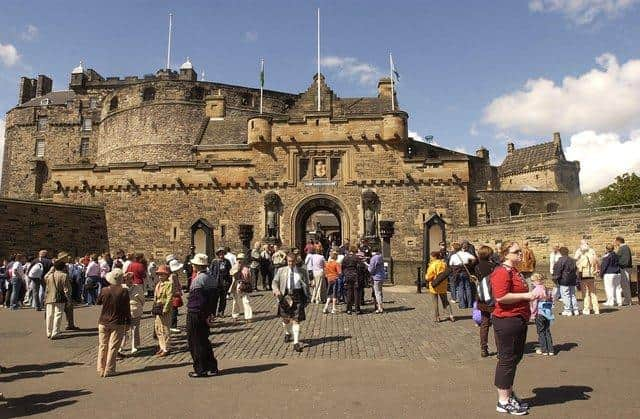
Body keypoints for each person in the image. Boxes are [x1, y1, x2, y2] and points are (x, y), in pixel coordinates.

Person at [491, 241, 537, 415]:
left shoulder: (515, 271)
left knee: (515, 357)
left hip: (518, 318)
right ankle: (503, 401)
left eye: (520, 251)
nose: (520, 254)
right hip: (506, 320)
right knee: (507, 359)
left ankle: (508, 394)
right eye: (516, 251)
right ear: (506, 254)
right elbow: (501, 297)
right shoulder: (501, 272)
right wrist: (526, 295)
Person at [186, 253, 220, 378]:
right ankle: (212, 366)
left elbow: (197, 299)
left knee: (195, 341)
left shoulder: (198, 280)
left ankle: (200, 369)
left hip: (196, 313)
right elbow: (214, 298)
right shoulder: (211, 278)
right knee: (204, 341)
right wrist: (210, 313)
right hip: (205, 313)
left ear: (196, 266)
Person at [96, 268, 131, 377]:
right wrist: (128, 322)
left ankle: (101, 368)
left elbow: (98, 302)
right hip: (117, 322)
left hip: (103, 321)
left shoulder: (105, 290)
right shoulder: (124, 291)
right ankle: (109, 369)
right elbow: (126, 309)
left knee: (103, 345)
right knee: (113, 347)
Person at [273, 253, 311, 352]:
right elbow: (274, 282)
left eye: (292, 261)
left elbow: (306, 284)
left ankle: (296, 342)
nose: (290, 263)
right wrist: (276, 289)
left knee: (296, 320)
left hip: (297, 296)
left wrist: (308, 295)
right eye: (288, 261)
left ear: (295, 261)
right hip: (285, 296)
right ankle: (287, 332)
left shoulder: (302, 271)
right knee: (285, 320)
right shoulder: (281, 270)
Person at [475, 245, 497, 357]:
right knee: (498, 322)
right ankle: (500, 348)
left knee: (484, 323)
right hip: (494, 295)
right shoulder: (494, 266)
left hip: (483, 295)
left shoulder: (477, 266)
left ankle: (483, 348)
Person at [44, 252, 72, 339]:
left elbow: (45, 278)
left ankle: (48, 332)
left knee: (49, 314)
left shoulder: (49, 276)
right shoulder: (64, 276)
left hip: (49, 296)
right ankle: (55, 332)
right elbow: (66, 289)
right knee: (58, 314)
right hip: (60, 297)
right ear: (63, 267)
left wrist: (51, 270)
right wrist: (69, 299)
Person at [119, 271, 145, 356]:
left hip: (135, 310)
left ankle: (134, 346)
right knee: (124, 330)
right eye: (126, 279)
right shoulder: (121, 288)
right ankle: (121, 346)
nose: (128, 281)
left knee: (135, 329)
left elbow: (142, 300)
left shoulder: (138, 287)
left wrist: (137, 301)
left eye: (130, 279)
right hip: (124, 311)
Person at [425, 251, 454, 323]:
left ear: (434, 257)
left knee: (435, 302)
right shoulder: (444, 264)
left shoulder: (432, 265)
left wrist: (426, 277)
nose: (430, 258)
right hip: (443, 285)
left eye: (431, 256)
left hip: (434, 285)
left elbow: (428, 277)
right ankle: (451, 315)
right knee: (445, 301)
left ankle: (437, 317)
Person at [530, 273, 555, 356]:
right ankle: (550, 349)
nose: (532, 283)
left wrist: (532, 314)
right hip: (547, 312)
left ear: (537, 281)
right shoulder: (547, 288)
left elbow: (534, 304)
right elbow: (552, 299)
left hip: (539, 312)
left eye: (533, 281)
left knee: (541, 331)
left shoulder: (536, 290)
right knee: (547, 331)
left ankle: (544, 349)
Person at [574, 240, 600, 315]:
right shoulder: (592, 251)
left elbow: (575, 261)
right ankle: (596, 309)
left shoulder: (579, 251)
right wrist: (596, 269)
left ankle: (586, 309)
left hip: (583, 274)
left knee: (585, 293)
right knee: (593, 293)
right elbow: (597, 262)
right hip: (592, 274)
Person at [552, 247, 579, 316]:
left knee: (565, 295)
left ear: (560, 253)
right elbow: (576, 270)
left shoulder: (560, 260)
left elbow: (558, 271)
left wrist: (555, 279)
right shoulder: (573, 260)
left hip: (564, 280)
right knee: (572, 295)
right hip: (572, 279)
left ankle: (568, 310)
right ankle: (576, 310)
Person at [153, 265, 173, 356]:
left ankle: (167, 348)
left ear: (167, 275)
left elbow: (169, 297)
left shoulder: (169, 284)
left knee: (165, 329)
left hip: (165, 309)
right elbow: (155, 297)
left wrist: (166, 309)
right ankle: (162, 347)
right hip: (158, 308)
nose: (160, 276)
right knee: (158, 329)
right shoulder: (158, 284)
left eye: (163, 274)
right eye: (159, 274)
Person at [449, 242, 476, 309]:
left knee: (460, 288)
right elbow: (474, 259)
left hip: (457, 273)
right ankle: (470, 304)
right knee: (468, 287)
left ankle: (462, 304)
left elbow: (450, 264)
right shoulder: (466, 254)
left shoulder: (453, 256)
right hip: (466, 272)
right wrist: (469, 265)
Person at [229, 253, 253, 322]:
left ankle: (248, 317)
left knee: (246, 301)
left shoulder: (247, 268)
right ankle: (235, 315)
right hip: (236, 285)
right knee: (235, 301)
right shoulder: (234, 266)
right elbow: (231, 273)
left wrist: (246, 283)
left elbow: (249, 278)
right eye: (239, 259)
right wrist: (238, 268)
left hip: (244, 285)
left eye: (242, 259)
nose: (241, 260)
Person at [342, 246, 365, 315]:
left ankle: (349, 309)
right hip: (355, 277)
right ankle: (357, 309)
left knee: (349, 293)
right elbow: (361, 267)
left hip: (348, 276)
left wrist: (345, 274)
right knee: (356, 293)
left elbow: (342, 267)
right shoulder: (356, 258)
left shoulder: (345, 257)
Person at [210, 247, 232, 317]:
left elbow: (230, 271)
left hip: (224, 282)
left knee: (223, 299)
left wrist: (229, 282)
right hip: (216, 282)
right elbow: (211, 271)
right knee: (214, 299)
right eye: (220, 253)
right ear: (218, 254)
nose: (221, 255)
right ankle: (213, 313)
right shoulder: (214, 261)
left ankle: (221, 312)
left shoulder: (227, 261)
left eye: (223, 253)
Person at [614, 236, 633, 306]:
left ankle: (628, 300)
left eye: (616, 241)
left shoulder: (624, 248)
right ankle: (627, 300)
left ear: (619, 241)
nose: (615, 243)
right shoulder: (623, 248)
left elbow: (625, 260)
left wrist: (618, 263)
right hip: (624, 268)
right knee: (624, 285)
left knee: (625, 285)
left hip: (624, 269)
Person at [368, 248, 386, 313]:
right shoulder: (380, 257)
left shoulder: (373, 258)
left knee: (377, 293)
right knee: (380, 292)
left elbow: (371, 269)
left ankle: (380, 308)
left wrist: (367, 266)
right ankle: (380, 306)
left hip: (376, 277)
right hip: (382, 276)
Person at [169, 259, 184, 332]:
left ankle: (173, 325)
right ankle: (172, 325)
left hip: (174, 295)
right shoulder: (173, 276)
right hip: (174, 295)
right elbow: (172, 286)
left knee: (174, 310)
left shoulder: (174, 275)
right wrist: (177, 292)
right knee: (173, 311)